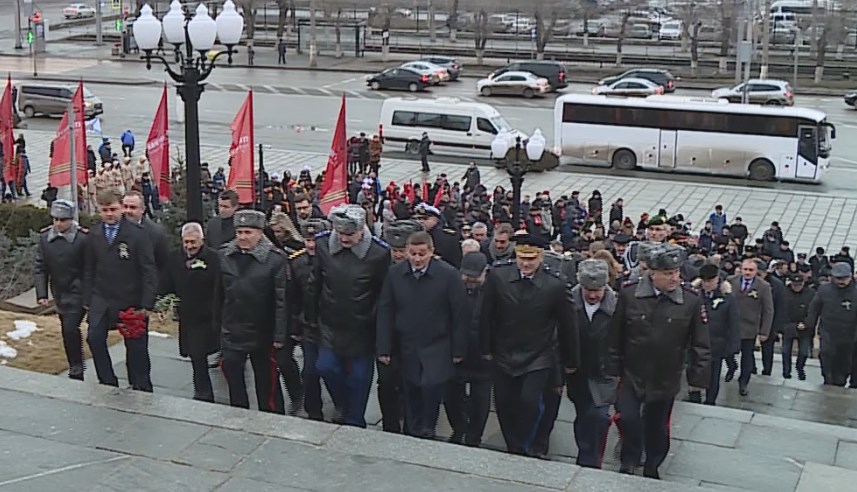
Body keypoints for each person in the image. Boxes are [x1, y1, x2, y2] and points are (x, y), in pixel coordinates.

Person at [607, 244, 711, 479]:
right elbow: (615, 334)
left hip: (666, 374)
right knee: (628, 418)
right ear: (652, 274)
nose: (673, 278)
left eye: (676, 272)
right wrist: (612, 367)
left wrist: (698, 379)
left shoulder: (690, 300)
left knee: (657, 427)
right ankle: (629, 457)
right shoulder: (630, 294)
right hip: (632, 372)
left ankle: (652, 465)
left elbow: (701, 343)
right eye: (667, 273)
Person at [480, 233, 579, 456]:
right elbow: (485, 314)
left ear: (541, 257)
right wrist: (485, 348)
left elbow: (568, 326)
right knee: (504, 403)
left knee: (529, 401)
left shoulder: (555, 285)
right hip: (504, 350)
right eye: (522, 258)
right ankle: (513, 444)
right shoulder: (498, 276)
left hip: (538, 354)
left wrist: (570, 360)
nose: (525, 264)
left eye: (531, 259)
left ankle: (527, 442)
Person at [377, 231, 468, 438]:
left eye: (421, 254)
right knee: (411, 387)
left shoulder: (449, 275)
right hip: (407, 342)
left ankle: (428, 427)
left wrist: (458, 350)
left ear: (431, 252)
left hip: (438, 342)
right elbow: (385, 310)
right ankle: (415, 428)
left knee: (431, 385)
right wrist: (384, 347)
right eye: (413, 253)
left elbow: (460, 314)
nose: (417, 259)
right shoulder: (395, 273)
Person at [307, 204, 390, 427]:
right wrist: (311, 317)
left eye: (350, 234)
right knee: (325, 367)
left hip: (362, 327)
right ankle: (342, 403)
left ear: (362, 231)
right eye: (340, 233)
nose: (344, 239)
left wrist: (377, 327)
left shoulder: (379, 253)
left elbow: (383, 295)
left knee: (360, 379)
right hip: (330, 323)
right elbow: (315, 282)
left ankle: (355, 420)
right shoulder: (323, 244)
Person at [212, 210, 288, 412]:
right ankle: (239, 413)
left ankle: (272, 415)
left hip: (262, 331)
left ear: (260, 233)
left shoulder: (275, 260)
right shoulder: (224, 256)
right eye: (239, 232)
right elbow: (218, 293)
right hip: (232, 328)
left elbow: (281, 300)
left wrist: (280, 335)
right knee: (232, 374)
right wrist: (217, 324)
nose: (243, 237)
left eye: (248, 232)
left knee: (267, 381)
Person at [83, 188, 158, 391]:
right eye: (104, 210)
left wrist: (147, 303)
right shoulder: (95, 233)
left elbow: (148, 270)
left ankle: (141, 384)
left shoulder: (137, 234)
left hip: (130, 299)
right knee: (95, 338)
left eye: (113, 209)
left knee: (136, 348)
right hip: (102, 298)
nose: (109, 214)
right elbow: (89, 268)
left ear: (121, 208)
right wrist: (88, 298)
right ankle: (107, 381)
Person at [159, 222, 221, 402]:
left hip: (207, 313)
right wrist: (163, 303)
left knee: (200, 353)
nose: (189, 246)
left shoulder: (213, 258)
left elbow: (218, 286)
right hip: (187, 314)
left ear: (202, 240)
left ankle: (203, 392)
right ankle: (202, 391)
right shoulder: (175, 258)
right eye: (186, 242)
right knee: (196, 355)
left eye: (193, 242)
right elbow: (166, 282)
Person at [566, 259, 617, 468]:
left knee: (598, 415)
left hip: (604, 372)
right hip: (577, 371)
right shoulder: (569, 302)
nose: (593, 295)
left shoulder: (616, 306)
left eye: (598, 290)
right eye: (589, 290)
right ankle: (584, 450)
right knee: (583, 414)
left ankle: (591, 458)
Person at [376, 219, 423, 433]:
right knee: (386, 384)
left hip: (416, 341)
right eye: (394, 250)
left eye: (401, 250)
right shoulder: (380, 266)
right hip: (387, 338)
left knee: (412, 386)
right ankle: (390, 424)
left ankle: (412, 425)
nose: (397, 255)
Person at [34, 200, 89, 380]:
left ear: (70, 219)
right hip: (60, 291)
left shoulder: (82, 239)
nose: (58, 224)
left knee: (70, 328)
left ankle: (76, 367)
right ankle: (74, 362)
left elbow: (89, 268)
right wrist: (42, 294)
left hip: (78, 292)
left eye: (63, 220)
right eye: (56, 219)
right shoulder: (45, 238)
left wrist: (86, 292)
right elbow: (41, 267)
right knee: (67, 330)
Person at [445, 251, 492, 447]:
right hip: (454, 354)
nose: (470, 279)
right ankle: (459, 428)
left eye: (475, 276)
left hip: (484, 356)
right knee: (451, 397)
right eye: (467, 275)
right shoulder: (452, 286)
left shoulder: (494, 289)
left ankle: (474, 435)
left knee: (480, 400)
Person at [290, 218, 330, 420]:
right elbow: (293, 298)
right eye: (307, 239)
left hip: (332, 326)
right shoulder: (296, 262)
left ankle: (341, 403)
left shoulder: (333, 260)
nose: (311, 245)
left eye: (314, 239)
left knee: (331, 370)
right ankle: (313, 410)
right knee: (310, 370)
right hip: (309, 325)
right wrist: (295, 327)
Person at [690, 263, 739, 405]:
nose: (707, 284)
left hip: (716, 343)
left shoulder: (727, 298)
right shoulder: (694, 295)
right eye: (704, 281)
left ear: (717, 280)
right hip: (696, 342)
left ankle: (710, 400)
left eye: (710, 281)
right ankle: (694, 396)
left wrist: (732, 347)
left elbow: (733, 323)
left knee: (713, 374)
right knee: (694, 370)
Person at [806, 263, 857, 387]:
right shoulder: (824, 290)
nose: (841, 281)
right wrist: (810, 326)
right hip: (828, 332)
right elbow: (814, 309)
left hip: (849, 335)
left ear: (850, 276)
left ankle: (840, 380)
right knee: (826, 356)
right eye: (838, 278)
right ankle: (828, 379)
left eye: (844, 278)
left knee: (844, 363)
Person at [728, 259, 773, 396]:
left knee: (747, 357)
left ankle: (743, 383)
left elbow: (768, 310)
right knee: (727, 352)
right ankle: (731, 365)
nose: (747, 272)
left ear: (756, 271)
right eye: (745, 269)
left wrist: (764, 331)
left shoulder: (763, 286)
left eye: (751, 270)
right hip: (730, 325)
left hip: (750, 327)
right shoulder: (731, 281)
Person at [122, 190, 170, 271]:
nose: (128, 211)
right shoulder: (114, 229)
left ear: (143, 209)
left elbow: (163, 265)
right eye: (125, 206)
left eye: (133, 207)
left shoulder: (156, 234)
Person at [782, 273, 815, 381]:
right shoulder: (784, 292)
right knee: (786, 351)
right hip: (789, 325)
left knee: (804, 352)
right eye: (794, 285)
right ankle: (786, 371)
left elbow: (813, 311)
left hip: (804, 327)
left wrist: (806, 323)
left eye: (799, 285)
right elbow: (782, 310)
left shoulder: (810, 294)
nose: (796, 287)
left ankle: (800, 367)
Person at [413, 203, 462, 268]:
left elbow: (455, 261)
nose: (421, 222)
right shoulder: (412, 235)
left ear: (436, 220)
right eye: (418, 219)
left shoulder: (448, 237)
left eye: (425, 219)